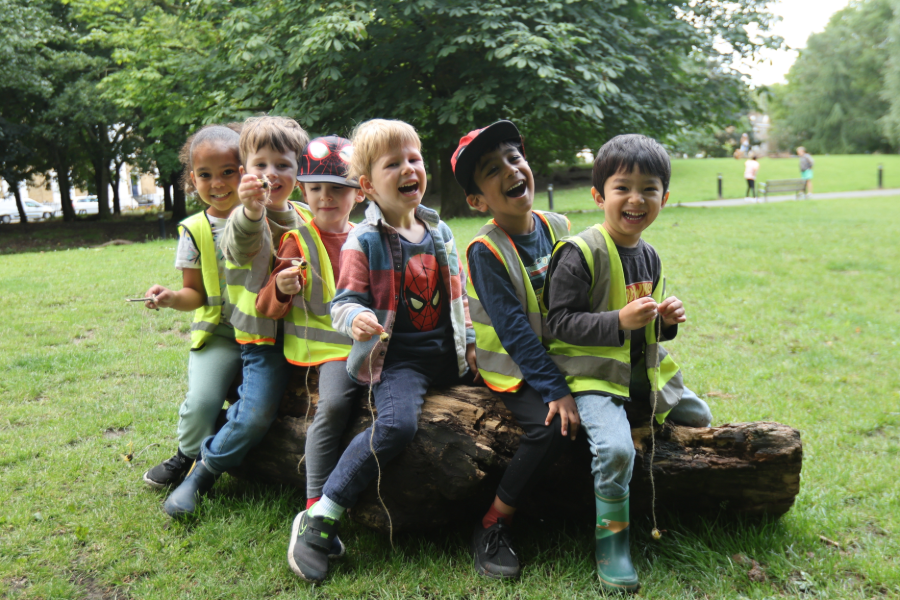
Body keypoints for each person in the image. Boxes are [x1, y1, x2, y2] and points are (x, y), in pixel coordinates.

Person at [287, 119, 478, 583]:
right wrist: (355, 319)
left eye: (413, 159)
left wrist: (471, 346)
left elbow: (458, 298)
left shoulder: (441, 231)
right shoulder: (365, 240)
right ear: (368, 185)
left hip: (449, 355)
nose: (409, 168)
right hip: (399, 360)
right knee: (396, 424)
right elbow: (343, 301)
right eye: (394, 163)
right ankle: (321, 516)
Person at [544, 134, 712, 593]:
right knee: (616, 451)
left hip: (640, 375)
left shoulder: (650, 254)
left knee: (700, 417)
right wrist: (618, 320)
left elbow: (645, 325)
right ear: (599, 195)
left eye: (649, 188)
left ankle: (642, 433)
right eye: (622, 187)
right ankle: (612, 542)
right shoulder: (580, 253)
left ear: (664, 198)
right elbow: (558, 323)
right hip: (593, 379)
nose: (635, 199)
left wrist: (668, 321)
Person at [162, 116, 312, 518]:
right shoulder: (240, 219)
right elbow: (241, 244)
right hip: (261, 340)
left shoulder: (305, 212)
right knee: (252, 414)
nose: (271, 175)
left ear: (300, 172)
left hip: (310, 337)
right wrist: (250, 208)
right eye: (260, 166)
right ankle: (200, 473)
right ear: (248, 172)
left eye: (283, 165)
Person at [453, 120, 577, 579]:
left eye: (513, 157)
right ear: (477, 200)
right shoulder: (485, 250)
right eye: (491, 169)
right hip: (513, 368)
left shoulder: (557, 226)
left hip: (558, 354)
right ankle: (494, 521)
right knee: (550, 429)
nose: (510, 169)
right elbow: (512, 330)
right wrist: (555, 391)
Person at [254, 135, 365, 566]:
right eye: (316, 188)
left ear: (359, 192)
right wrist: (281, 288)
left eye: (337, 188)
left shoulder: (368, 235)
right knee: (335, 406)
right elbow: (265, 306)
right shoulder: (297, 241)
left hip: (367, 344)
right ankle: (314, 509)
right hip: (328, 350)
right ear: (303, 191)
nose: (326, 197)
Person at [141, 124, 243, 488]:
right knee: (201, 401)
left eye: (227, 172)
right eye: (205, 175)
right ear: (192, 179)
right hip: (221, 334)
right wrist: (171, 299)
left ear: (245, 171)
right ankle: (186, 456)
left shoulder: (269, 216)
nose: (217, 184)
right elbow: (194, 294)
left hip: (271, 333)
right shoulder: (194, 230)